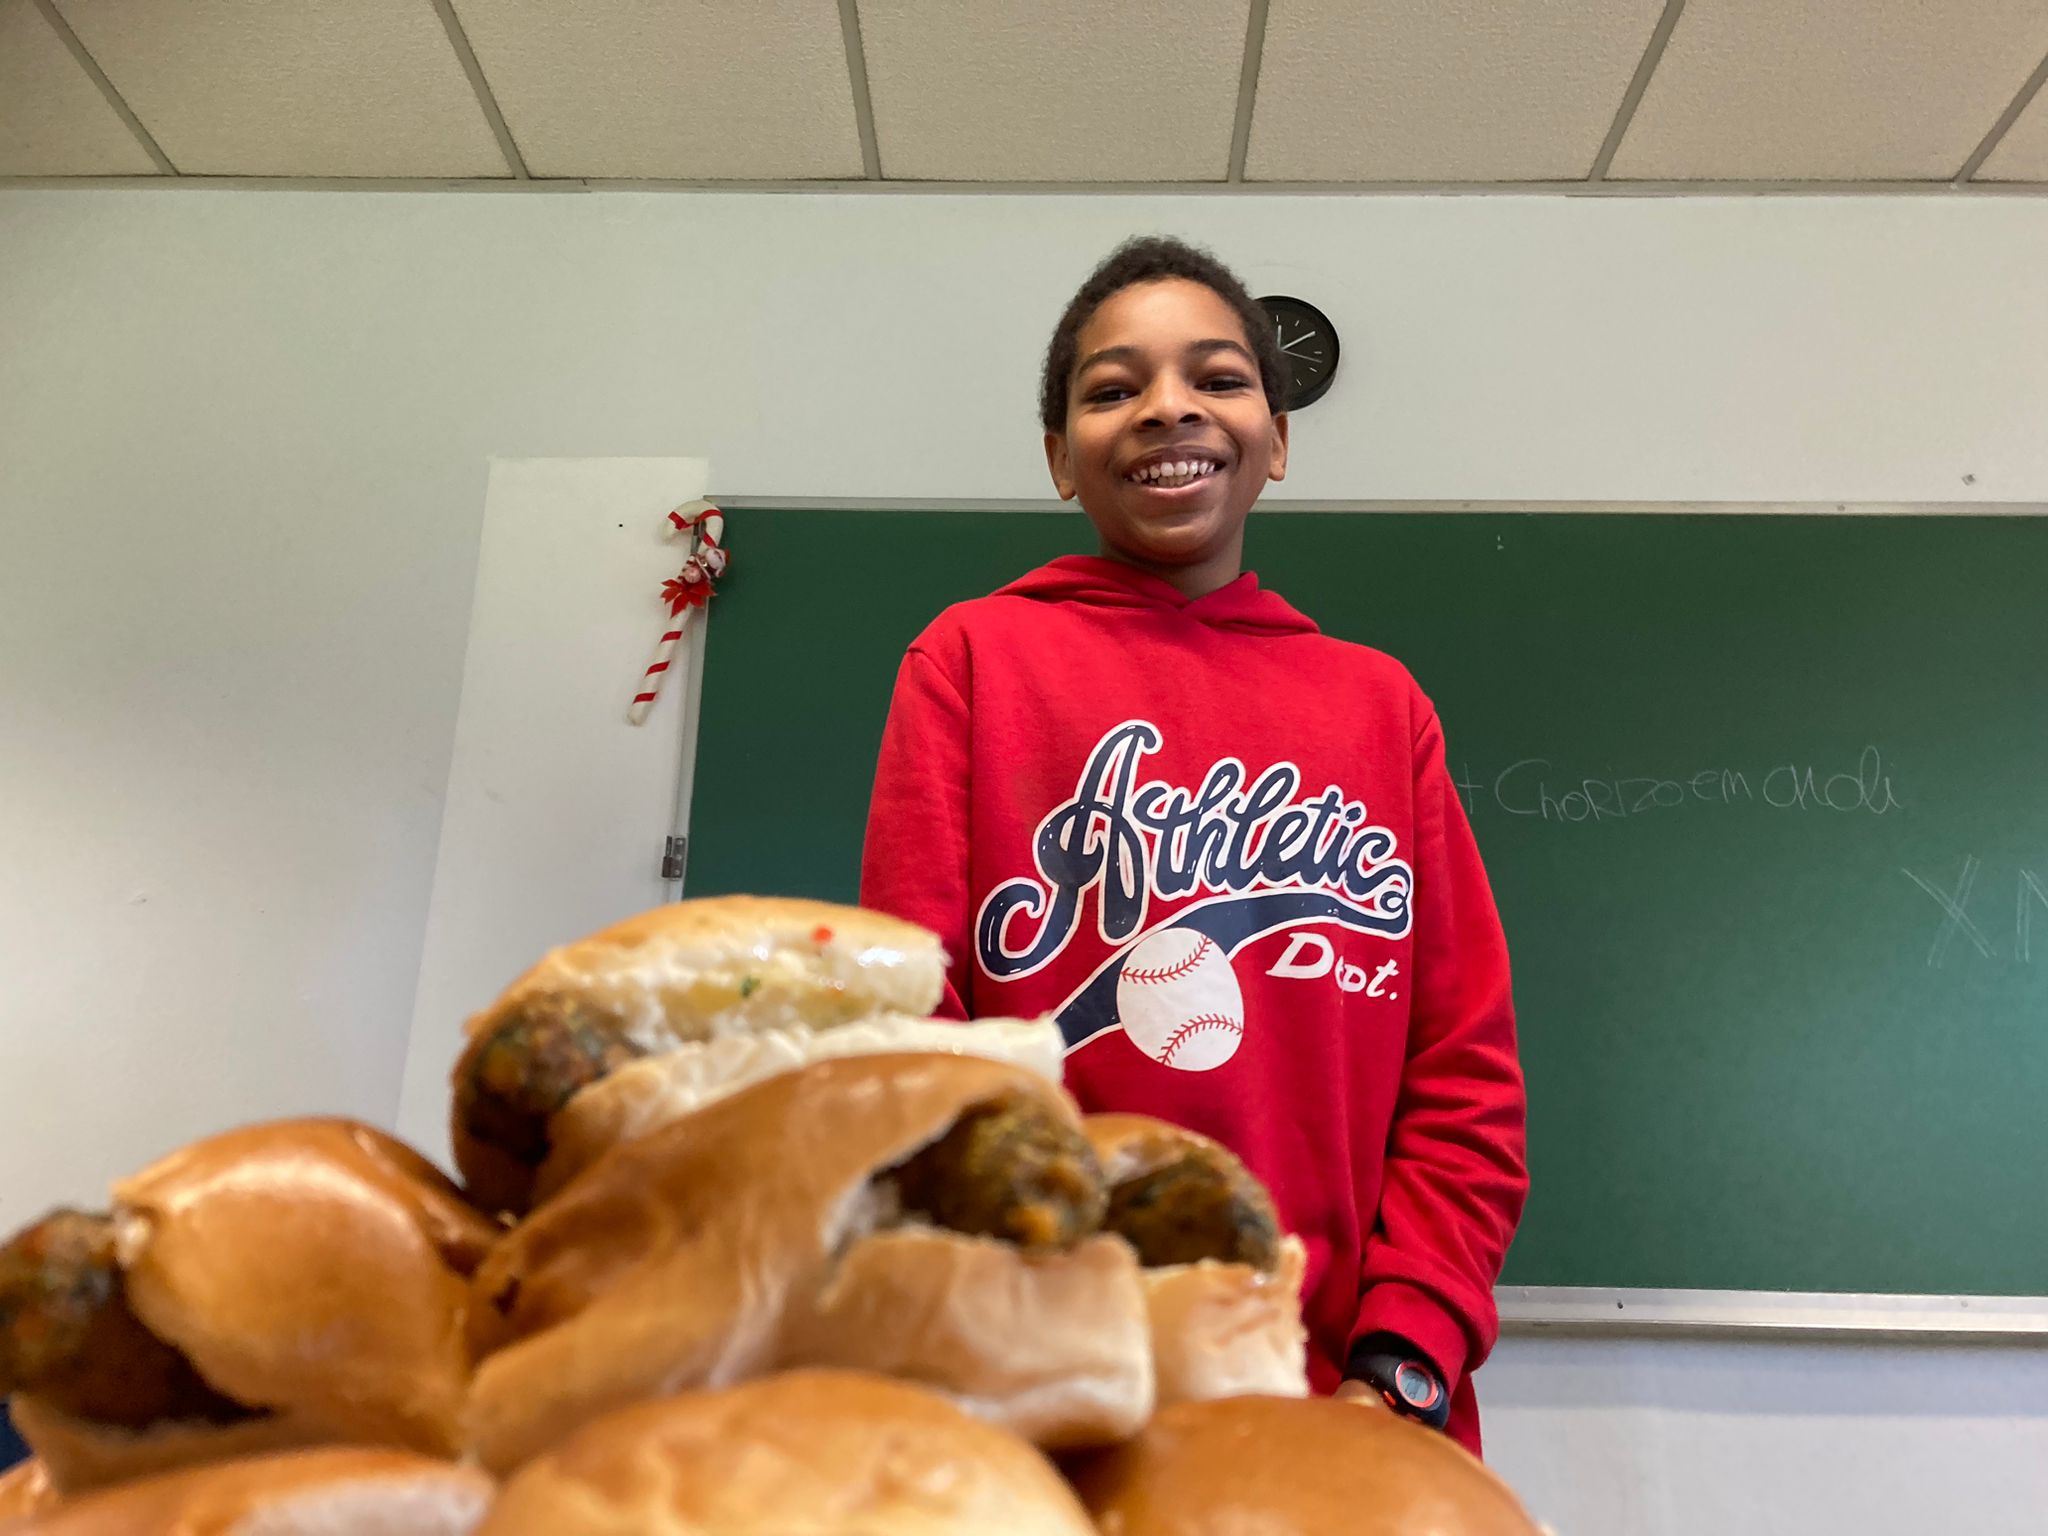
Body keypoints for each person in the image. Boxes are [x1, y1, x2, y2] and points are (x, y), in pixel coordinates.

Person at [859, 236, 1526, 1455]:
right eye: (1111, 388)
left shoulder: (1379, 705)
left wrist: (1403, 1362)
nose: (1168, 405)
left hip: (1347, 1398)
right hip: (1052, 1380)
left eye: (1216, 378)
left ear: (1276, 438)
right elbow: (917, 1034)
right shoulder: (971, 659)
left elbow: (1462, 1079)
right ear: (1060, 458)